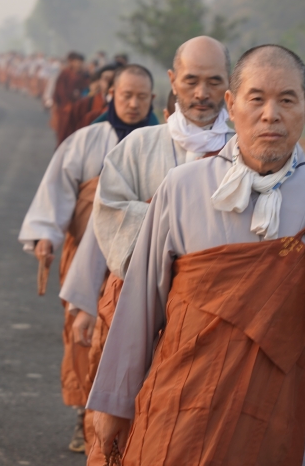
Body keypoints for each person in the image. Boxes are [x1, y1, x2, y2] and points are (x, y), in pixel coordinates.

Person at [87, 45, 305, 466]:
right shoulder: (182, 189)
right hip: (187, 414)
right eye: (256, 98)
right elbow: (140, 307)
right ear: (232, 105)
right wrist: (113, 403)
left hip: (296, 425)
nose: (270, 114)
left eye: (287, 100)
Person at [63, 36, 234, 465]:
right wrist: (180, 234)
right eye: (192, 80)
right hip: (137, 313)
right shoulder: (139, 146)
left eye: (214, 81)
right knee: (127, 422)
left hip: (214, 319)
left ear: (229, 86)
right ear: (173, 82)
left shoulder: (246, 150)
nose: (202, 93)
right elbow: (108, 219)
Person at [18, 64, 158, 454]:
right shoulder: (85, 141)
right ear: (110, 94)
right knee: (82, 338)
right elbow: (57, 190)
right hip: (85, 254)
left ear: (153, 100)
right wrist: (46, 234)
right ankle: (85, 418)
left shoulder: (163, 143)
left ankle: (130, 423)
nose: (133, 103)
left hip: (140, 262)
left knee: (137, 339)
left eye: (141, 97)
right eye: (125, 95)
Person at [53, 52, 90, 146]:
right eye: (76, 62)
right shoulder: (65, 73)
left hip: (80, 107)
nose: (78, 64)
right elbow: (59, 89)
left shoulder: (85, 75)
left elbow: (87, 88)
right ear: (72, 62)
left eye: (80, 62)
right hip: (66, 106)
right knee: (63, 131)